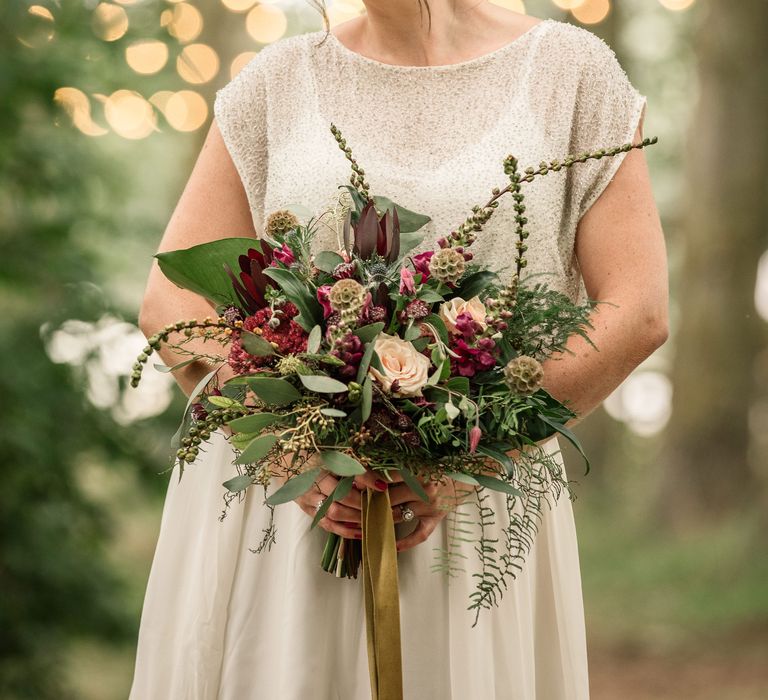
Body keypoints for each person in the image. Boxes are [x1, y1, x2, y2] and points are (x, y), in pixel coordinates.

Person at [130, 1, 668, 698]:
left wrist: (470, 456)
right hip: (291, 511)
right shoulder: (276, 80)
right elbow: (170, 300)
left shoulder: (570, 73)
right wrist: (290, 449)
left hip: (474, 508)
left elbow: (639, 310)